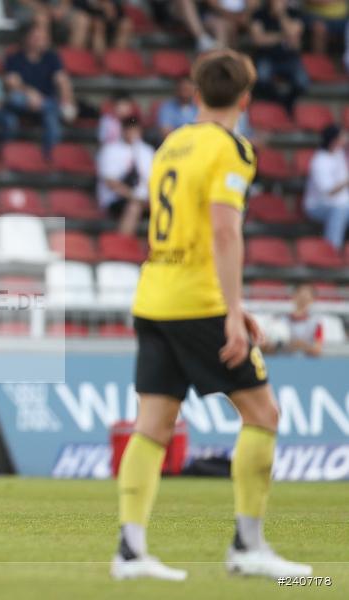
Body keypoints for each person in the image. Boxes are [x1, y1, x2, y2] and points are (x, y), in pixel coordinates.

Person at [115, 49, 311, 581]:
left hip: (153, 296)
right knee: (263, 414)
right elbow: (224, 230)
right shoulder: (233, 149)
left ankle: (131, 551)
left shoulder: (170, 144)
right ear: (246, 99)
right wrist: (234, 311)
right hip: (199, 302)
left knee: (152, 425)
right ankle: (248, 545)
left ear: (195, 92)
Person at [4, 24, 77, 156]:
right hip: (24, 101)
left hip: (45, 102)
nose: (40, 40)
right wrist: (30, 93)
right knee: (15, 98)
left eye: (42, 37)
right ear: (27, 38)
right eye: (36, 37)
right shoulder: (15, 57)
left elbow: (62, 81)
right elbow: (12, 82)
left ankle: (49, 157)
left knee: (52, 120)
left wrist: (68, 100)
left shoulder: (51, 57)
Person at [96, 116, 154, 237]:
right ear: (123, 130)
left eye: (135, 129)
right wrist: (134, 196)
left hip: (144, 197)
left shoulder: (147, 151)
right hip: (117, 198)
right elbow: (110, 182)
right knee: (134, 206)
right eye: (129, 129)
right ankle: (122, 245)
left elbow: (152, 180)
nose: (132, 133)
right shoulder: (110, 150)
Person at [249, 0, 307, 113]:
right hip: (266, 57)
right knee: (262, 78)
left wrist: (281, 15)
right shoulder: (259, 14)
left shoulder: (294, 13)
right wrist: (282, 37)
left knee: (302, 81)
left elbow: (294, 37)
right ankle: (279, 102)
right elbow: (259, 40)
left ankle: (286, 103)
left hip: (289, 58)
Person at [303, 125, 349, 250]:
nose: (345, 140)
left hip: (343, 203)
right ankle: (331, 249)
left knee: (342, 208)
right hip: (318, 205)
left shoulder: (339, 154)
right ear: (334, 140)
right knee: (339, 210)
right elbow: (328, 192)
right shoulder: (319, 160)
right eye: (342, 137)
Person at [261, 284, 324, 357]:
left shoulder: (316, 323)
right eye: (300, 295)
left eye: (306, 297)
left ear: (312, 300)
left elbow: (317, 350)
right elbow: (267, 348)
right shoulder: (280, 321)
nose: (303, 299)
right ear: (294, 296)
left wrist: (300, 345)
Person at [69, 0, 133, 56]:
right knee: (87, 22)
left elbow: (120, 15)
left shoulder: (114, 3)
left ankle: (118, 59)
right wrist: (98, 8)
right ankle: (76, 57)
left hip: (107, 28)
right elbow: (79, 8)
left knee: (126, 24)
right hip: (86, 24)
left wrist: (111, 14)